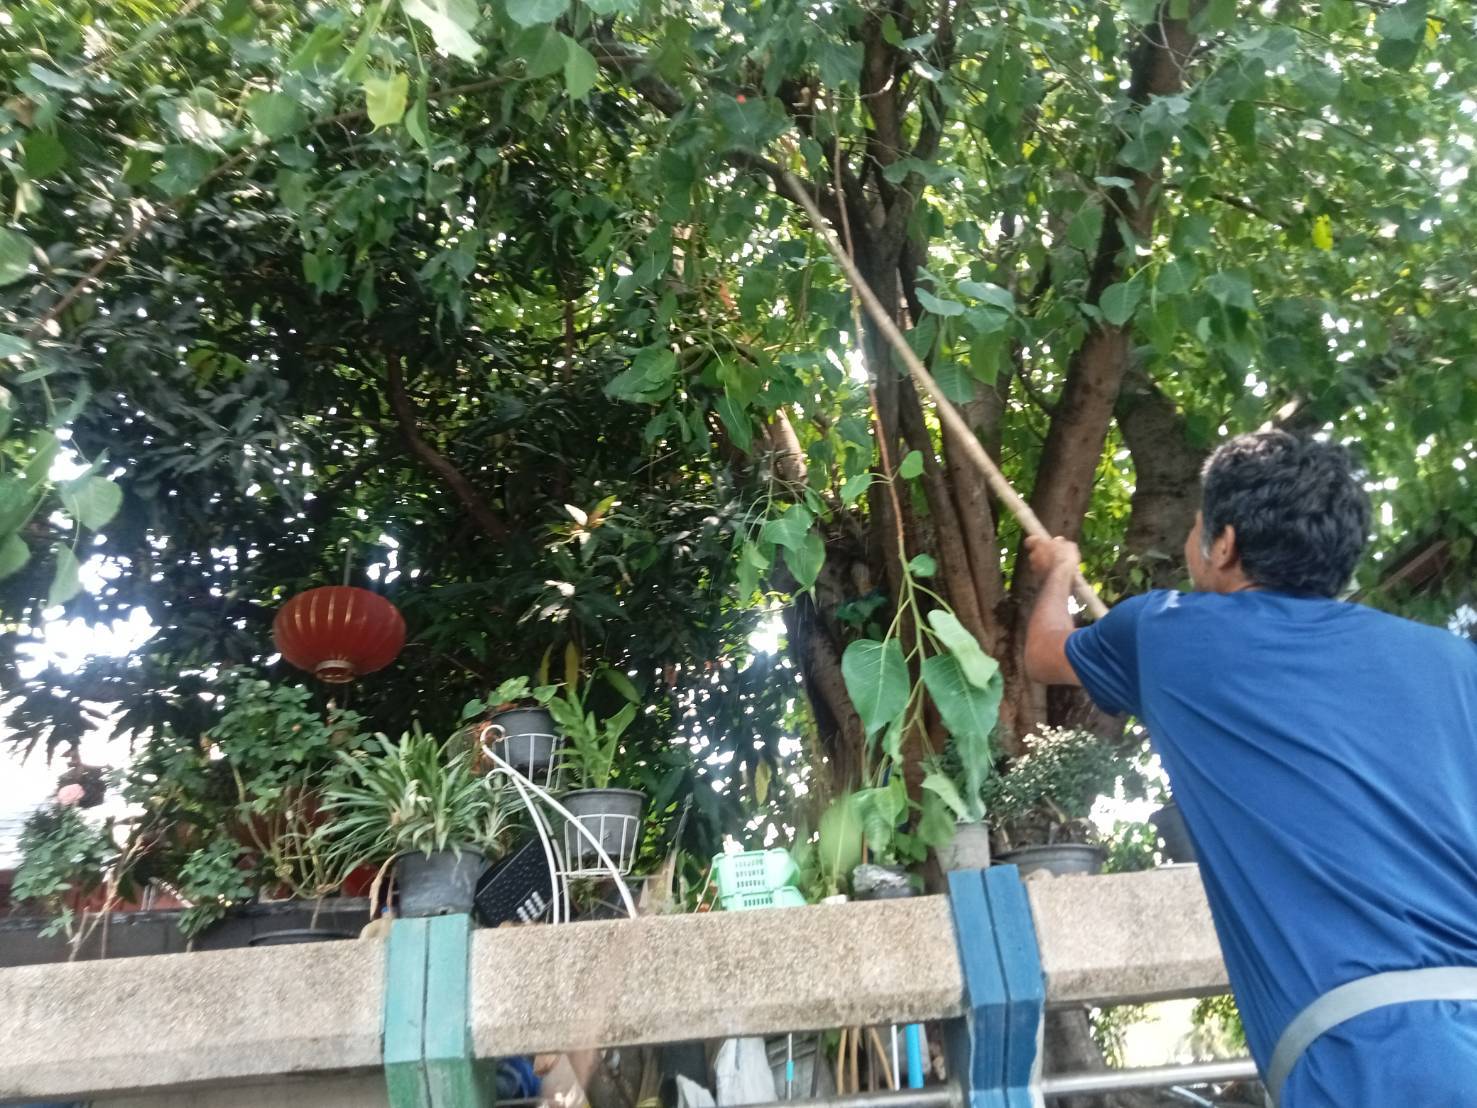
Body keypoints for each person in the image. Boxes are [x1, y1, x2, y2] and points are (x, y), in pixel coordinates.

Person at [1023, 430, 1477, 1107]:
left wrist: (1058, 570)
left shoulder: (1168, 632)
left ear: (1224, 544)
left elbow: (1043, 652)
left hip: (1372, 1065)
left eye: (1196, 526)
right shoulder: (1454, 663)